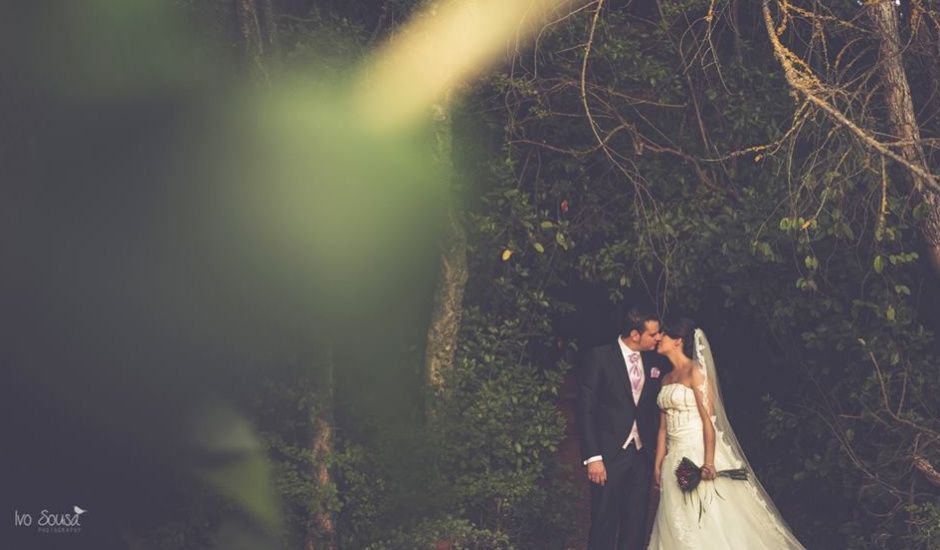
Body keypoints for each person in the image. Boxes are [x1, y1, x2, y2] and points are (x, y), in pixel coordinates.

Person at [648, 318, 805, 549]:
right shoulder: (666, 378)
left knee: (705, 515)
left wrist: (709, 463)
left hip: (697, 451)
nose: (658, 338)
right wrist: (657, 463)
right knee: (676, 516)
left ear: (678, 341)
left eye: (664, 334)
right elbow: (662, 428)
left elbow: (708, 422)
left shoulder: (696, 373)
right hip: (674, 455)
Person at [577, 307, 669, 550]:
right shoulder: (600, 357)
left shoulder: (655, 360)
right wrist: (593, 457)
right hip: (608, 456)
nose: (658, 337)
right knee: (603, 521)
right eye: (653, 334)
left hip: (642, 455)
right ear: (635, 334)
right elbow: (586, 411)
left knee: (636, 523)